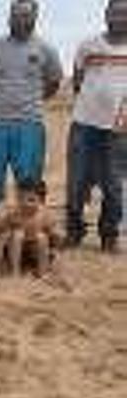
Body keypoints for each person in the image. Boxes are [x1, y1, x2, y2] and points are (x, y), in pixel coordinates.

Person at [0, 0, 62, 232]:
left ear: (35, 17)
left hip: (30, 125)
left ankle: (29, 230)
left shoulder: (46, 49)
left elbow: (53, 83)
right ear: (9, 17)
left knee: (28, 181)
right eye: (15, 15)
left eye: (25, 15)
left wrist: (29, 103)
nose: (20, 20)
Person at [66, 0, 127, 253]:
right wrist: (93, 105)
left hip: (119, 130)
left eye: (124, 14)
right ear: (106, 15)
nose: (119, 18)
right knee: (77, 181)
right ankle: (74, 231)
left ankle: (108, 235)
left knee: (113, 184)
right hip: (84, 124)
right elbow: (78, 80)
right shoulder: (88, 45)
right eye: (115, 12)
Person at [0, 180, 59, 276]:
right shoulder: (15, 214)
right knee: (17, 235)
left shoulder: (44, 215)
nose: (25, 204)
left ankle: (42, 271)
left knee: (42, 238)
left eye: (31, 200)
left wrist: (54, 248)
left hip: (36, 253)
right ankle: (15, 270)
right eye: (20, 198)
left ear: (41, 200)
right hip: (18, 253)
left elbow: (54, 237)